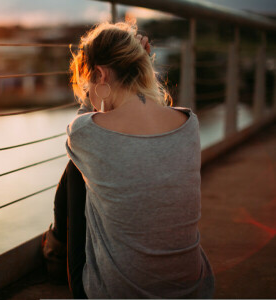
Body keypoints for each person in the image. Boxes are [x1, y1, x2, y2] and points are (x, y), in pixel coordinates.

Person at [41, 20, 215, 299]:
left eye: (89, 83)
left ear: (100, 74)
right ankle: (55, 245)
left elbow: (90, 117)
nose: (89, 93)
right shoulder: (189, 123)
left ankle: (55, 249)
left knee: (77, 168)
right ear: (140, 67)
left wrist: (95, 97)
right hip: (193, 291)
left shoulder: (86, 132)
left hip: (116, 293)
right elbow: (146, 122)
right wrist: (137, 65)